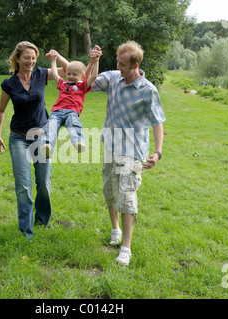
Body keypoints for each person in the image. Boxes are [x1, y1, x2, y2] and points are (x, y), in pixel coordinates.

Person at [90, 41, 166, 266]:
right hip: (111, 146)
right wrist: (93, 61)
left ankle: (126, 248)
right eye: (117, 61)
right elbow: (88, 83)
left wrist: (158, 152)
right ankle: (115, 230)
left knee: (127, 195)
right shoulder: (113, 78)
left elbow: (157, 122)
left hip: (133, 152)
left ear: (136, 64)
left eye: (122, 64)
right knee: (110, 191)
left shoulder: (148, 90)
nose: (118, 66)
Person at [0, 41, 69, 241]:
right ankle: (26, 230)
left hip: (42, 136)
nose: (31, 61)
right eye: (27, 57)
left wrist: (57, 56)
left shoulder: (41, 75)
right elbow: (1, 110)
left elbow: (71, 71)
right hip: (18, 138)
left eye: (33, 57)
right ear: (17, 59)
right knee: (23, 186)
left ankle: (41, 221)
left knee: (44, 182)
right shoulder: (9, 83)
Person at [40, 47, 102, 158]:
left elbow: (93, 76)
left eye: (74, 74)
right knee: (51, 126)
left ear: (82, 77)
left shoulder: (82, 86)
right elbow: (54, 73)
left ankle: (78, 142)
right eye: (68, 74)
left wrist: (96, 61)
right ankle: (47, 146)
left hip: (71, 112)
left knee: (73, 123)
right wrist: (53, 61)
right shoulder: (63, 84)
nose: (71, 76)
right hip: (57, 112)